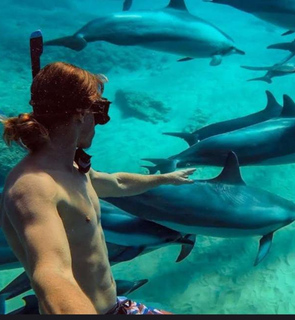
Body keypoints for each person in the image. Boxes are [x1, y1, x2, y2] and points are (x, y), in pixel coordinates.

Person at [0, 62, 196, 314]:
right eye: (100, 111)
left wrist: (165, 178)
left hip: (115, 305)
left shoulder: (70, 167)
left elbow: (117, 182)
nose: (101, 122)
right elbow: (52, 276)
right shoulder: (34, 188)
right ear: (81, 114)